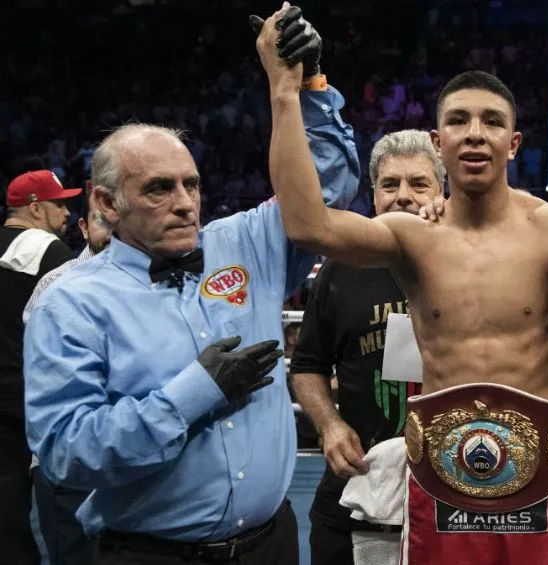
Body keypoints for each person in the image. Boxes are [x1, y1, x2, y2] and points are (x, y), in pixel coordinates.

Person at [263, 12, 548, 559]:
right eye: (459, 121)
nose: (476, 133)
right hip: (442, 481)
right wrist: (286, 92)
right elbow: (307, 225)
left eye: (491, 121)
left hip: (543, 481)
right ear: (439, 142)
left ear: (514, 142)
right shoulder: (412, 238)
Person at [23, 7, 359, 564]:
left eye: (191, 184)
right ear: (107, 204)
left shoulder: (244, 243)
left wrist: (309, 84)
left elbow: (323, 190)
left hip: (270, 544)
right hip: (150, 553)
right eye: (158, 188)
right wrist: (191, 395)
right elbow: (66, 452)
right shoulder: (70, 301)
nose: (183, 202)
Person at [289, 129, 445, 565]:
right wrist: (329, 426)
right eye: (389, 184)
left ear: (440, 189)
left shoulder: (467, 258)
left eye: (419, 183)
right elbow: (307, 364)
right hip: (356, 481)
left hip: (450, 486)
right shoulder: (343, 266)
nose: (403, 196)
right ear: (373, 195)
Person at [22, 185, 114, 565]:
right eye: (100, 220)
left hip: (131, 459)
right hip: (70, 464)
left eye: (116, 219)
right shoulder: (54, 285)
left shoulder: (153, 280)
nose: (109, 228)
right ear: (82, 226)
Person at [0, 169, 79, 565]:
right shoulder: (50, 251)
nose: (66, 212)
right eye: (59, 203)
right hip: (31, 394)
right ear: (35, 207)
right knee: (62, 497)